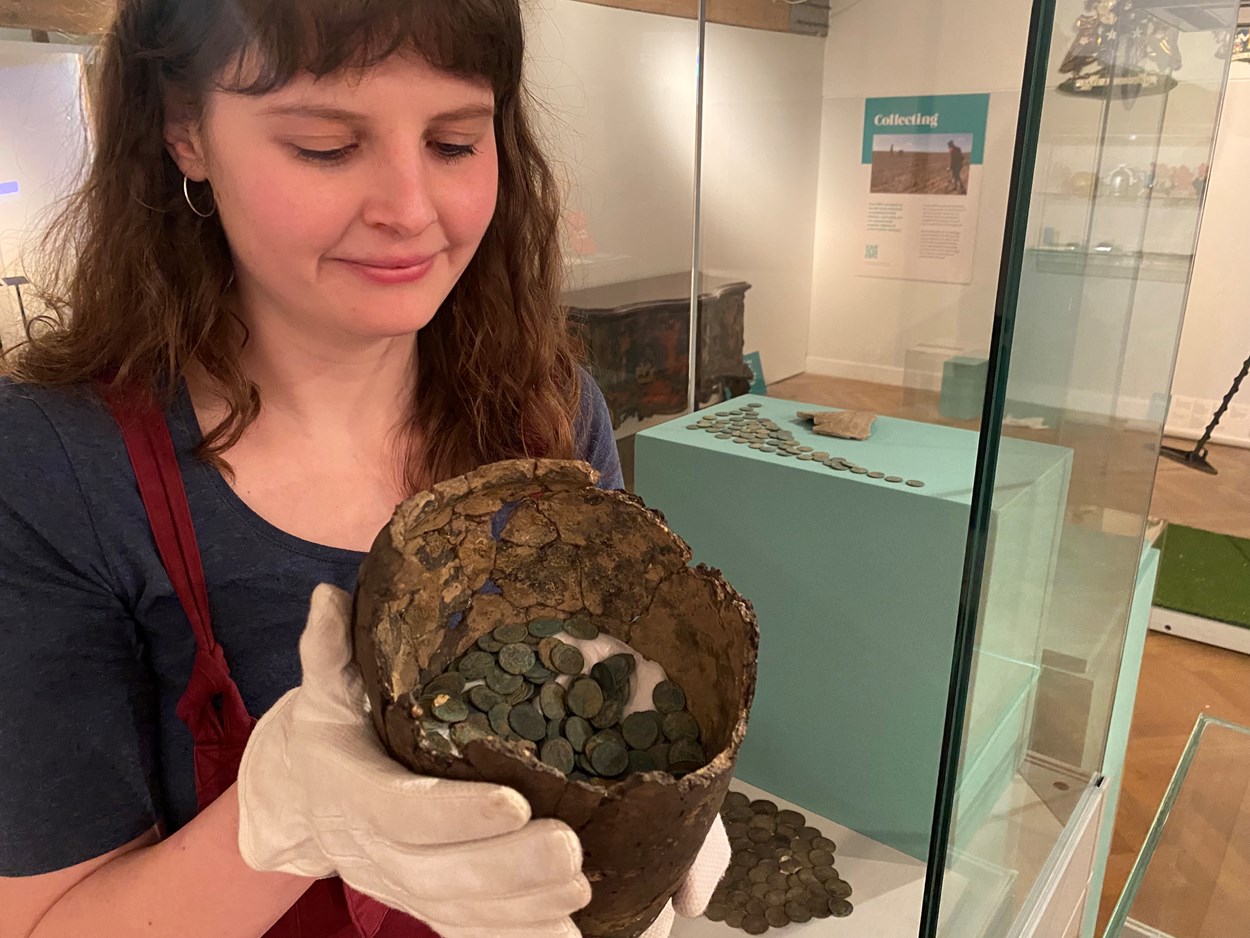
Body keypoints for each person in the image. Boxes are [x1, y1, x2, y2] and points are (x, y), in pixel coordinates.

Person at [0, 2, 727, 937]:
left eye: (456, 142)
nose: (411, 210)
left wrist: (653, 816)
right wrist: (283, 825)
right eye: (325, 146)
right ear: (186, 131)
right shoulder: (54, 466)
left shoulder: (547, 408)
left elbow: (609, 708)